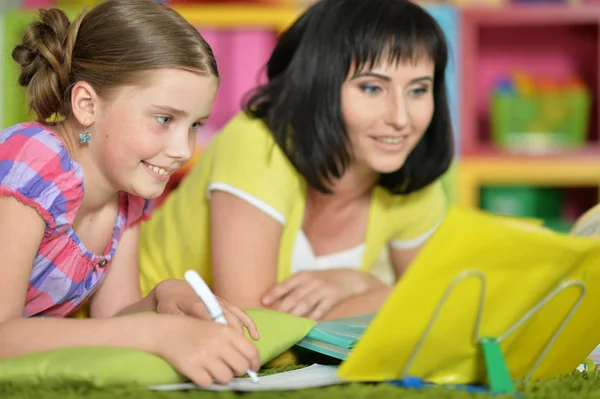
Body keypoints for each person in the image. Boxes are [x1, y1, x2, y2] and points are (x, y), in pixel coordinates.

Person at [138, 0, 454, 321]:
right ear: (318, 86)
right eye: (372, 88)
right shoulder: (258, 142)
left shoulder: (408, 173)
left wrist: (361, 284)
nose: (401, 118)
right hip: (135, 328)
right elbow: (255, 328)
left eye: (418, 90)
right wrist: (380, 292)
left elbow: (438, 315)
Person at [0, 0, 261, 387]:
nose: (183, 150)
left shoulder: (128, 192)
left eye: (194, 125)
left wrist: (161, 297)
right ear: (86, 105)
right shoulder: (33, 161)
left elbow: (112, 321)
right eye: (165, 119)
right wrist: (155, 335)